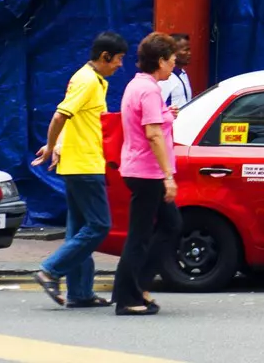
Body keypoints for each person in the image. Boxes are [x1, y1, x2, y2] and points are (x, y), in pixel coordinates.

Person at [31, 31, 130, 309]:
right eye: (118, 59)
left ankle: (80, 292)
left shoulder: (92, 80)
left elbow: (72, 120)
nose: (120, 65)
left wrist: (58, 144)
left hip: (77, 163)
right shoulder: (88, 81)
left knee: (78, 231)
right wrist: (51, 146)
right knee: (99, 225)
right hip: (84, 165)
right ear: (104, 57)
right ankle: (50, 269)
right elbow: (60, 115)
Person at [112, 32, 183, 316]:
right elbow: (153, 134)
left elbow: (152, 122)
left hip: (140, 169)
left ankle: (137, 285)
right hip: (147, 172)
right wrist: (168, 176)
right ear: (161, 61)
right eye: (172, 59)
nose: (175, 64)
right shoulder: (149, 89)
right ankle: (128, 296)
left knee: (171, 224)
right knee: (140, 235)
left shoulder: (138, 85)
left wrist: (166, 114)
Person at [159, 34, 194, 111]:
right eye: (185, 50)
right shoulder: (165, 78)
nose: (189, 53)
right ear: (173, 53)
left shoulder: (183, 73)